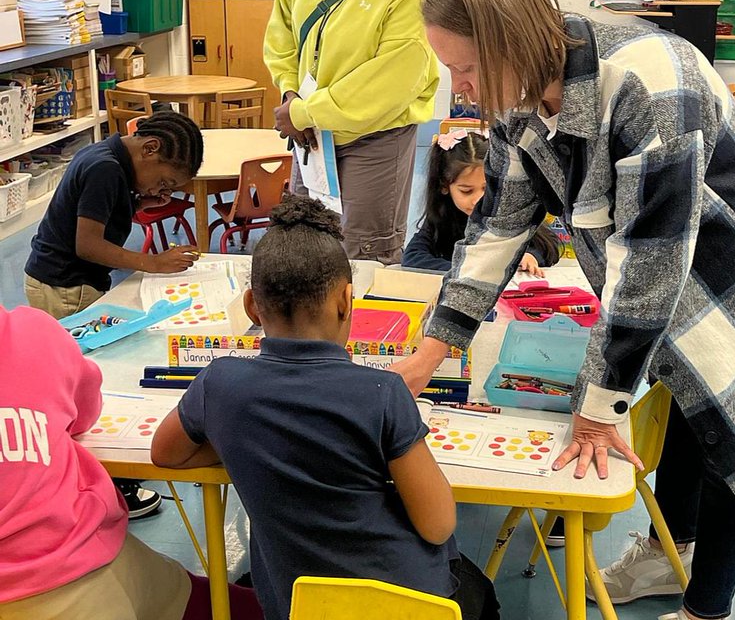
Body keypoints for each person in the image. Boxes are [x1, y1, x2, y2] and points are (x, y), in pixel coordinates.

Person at [391, 0, 735, 620]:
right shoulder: (515, 94)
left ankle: (706, 610)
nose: (458, 87)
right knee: (689, 402)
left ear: (511, 41)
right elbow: (496, 227)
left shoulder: (648, 78)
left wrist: (599, 405)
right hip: (668, 256)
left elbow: (651, 264)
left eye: (465, 67)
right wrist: (431, 352)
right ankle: (673, 556)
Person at [151, 196, 498, 620]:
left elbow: (165, 453)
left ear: (250, 307)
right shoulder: (382, 391)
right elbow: (437, 524)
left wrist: (250, 440)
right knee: (479, 591)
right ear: (347, 300)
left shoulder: (219, 383)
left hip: (296, 603)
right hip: (404, 601)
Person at [0, 302, 263, 620]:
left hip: (79, 559)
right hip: (73, 562)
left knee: (185, 591)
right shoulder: (33, 333)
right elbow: (85, 410)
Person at [23, 110, 204, 519]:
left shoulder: (111, 158)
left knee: (83, 379)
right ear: (151, 148)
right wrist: (154, 263)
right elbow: (88, 244)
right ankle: (107, 482)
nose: (162, 189)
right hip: (66, 286)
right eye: (164, 181)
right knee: (83, 382)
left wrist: (141, 198)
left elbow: (102, 218)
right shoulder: (105, 170)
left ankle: (101, 470)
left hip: (63, 280)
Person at [265, 0, 439, 263]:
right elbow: (284, 26)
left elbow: (384, 87)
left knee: (361, 257)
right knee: (304, 244)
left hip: (373, 139)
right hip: (310, 133)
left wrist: (305, 111)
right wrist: (289, 90)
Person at [403, 129, 560, 276]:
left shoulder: (509, 209)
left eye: (487, 188)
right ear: (444, 186)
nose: (479, 199)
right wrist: (470, 271)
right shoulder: (442, 215)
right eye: (466, 191)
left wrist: (531, 256)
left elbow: (548, 244)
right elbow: (413, 257)